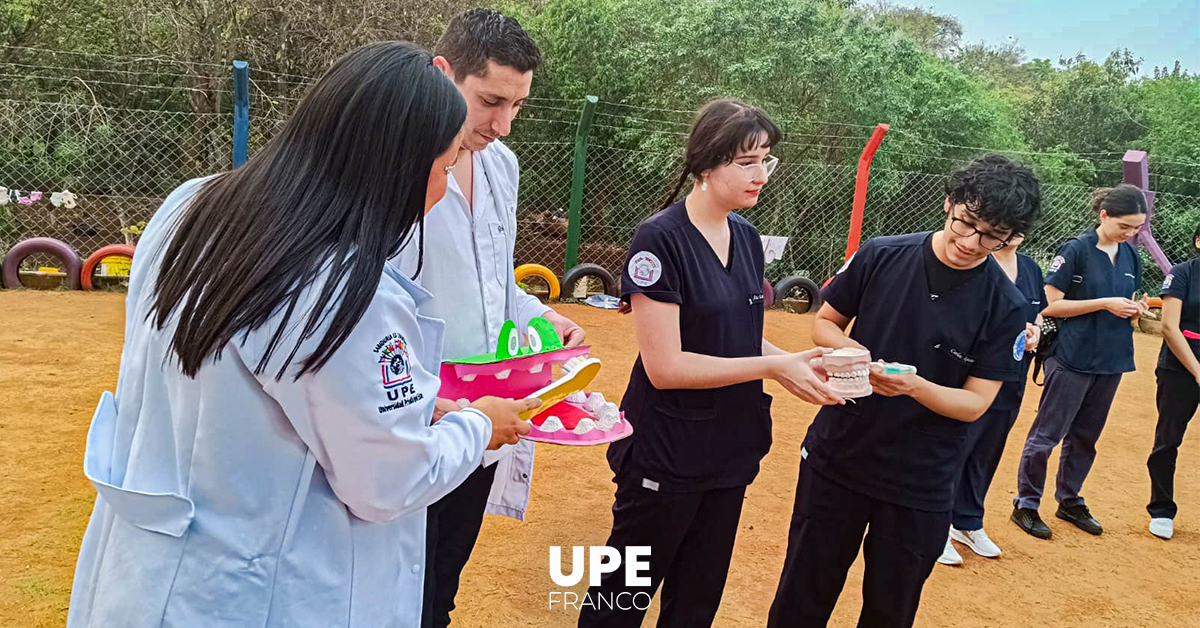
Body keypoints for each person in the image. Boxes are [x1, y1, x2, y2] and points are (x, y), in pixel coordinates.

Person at [66, 41, 536, 628]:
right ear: (394, 167)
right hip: (259, 594)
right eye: (443, 169)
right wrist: (479, 425)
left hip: (147, 576)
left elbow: (261, 382)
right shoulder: (342, 288)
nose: (441, 189)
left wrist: (415, 405)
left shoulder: (190, 207)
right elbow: (390, 479)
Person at [576, 99, 843, 628]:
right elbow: (666, 367)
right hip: (667, 449)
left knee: (697, 601)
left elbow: (741, 337)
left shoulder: (744, 237)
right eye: (746, 162)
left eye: (766, 160)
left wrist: (796, 360)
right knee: (621, 597)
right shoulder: (660, 239)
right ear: (705, 164)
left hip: (729, 448)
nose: (760, 175)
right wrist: (774, 369)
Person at [768, 155, 1041, 628]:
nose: (970, 242)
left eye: (991, 236)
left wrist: (915, 387)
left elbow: (975, 404)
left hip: (922, 479)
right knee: (802, 595)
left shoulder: (1007, 305)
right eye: (966, 222)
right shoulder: (881, 254)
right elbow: (825, 323)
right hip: (840, 455)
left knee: (891, 610)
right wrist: (855, 352)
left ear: (1012, 237)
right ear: (949, 203)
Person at [387, 9, 584, 628]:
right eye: (490, 101)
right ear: (443, 73)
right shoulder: (394, 167)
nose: (502, 125)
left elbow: (494, 283)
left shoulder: (503, 165)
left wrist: (540, 312)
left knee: (442, 592)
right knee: (393, 596)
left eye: (517, 106)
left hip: (484, 421)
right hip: (408, 418)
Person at [1012, 184, 1148, 540]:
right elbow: (1050, 305)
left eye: (1136, 228)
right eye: (1125, 226)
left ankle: (1070, 500)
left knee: (1086, 436)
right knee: (1047, 434)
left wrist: (1135, 308)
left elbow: (1126, 300)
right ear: (1104, 215)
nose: (1130, 233)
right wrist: (1104, 303)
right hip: (1072, 356)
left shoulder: (1130, 255)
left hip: (1112, 359)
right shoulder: (1076, 250)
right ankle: (1026, 503)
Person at [939, 234, 1045, 565]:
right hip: (971, 376)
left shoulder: (1030, 268)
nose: (1011, 233)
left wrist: (1035, 332)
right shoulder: (974, 262)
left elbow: (1039, 313)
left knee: (987, 450)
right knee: (957, 447)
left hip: (1011, 377)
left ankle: (967, 521)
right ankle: (936, 526)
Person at [1146, 221, 1200, 540]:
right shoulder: (1182, 274)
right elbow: (1169, 327)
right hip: (1179, 369)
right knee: (1168, 440)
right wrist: (1197, 370)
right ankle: (1161, 510)